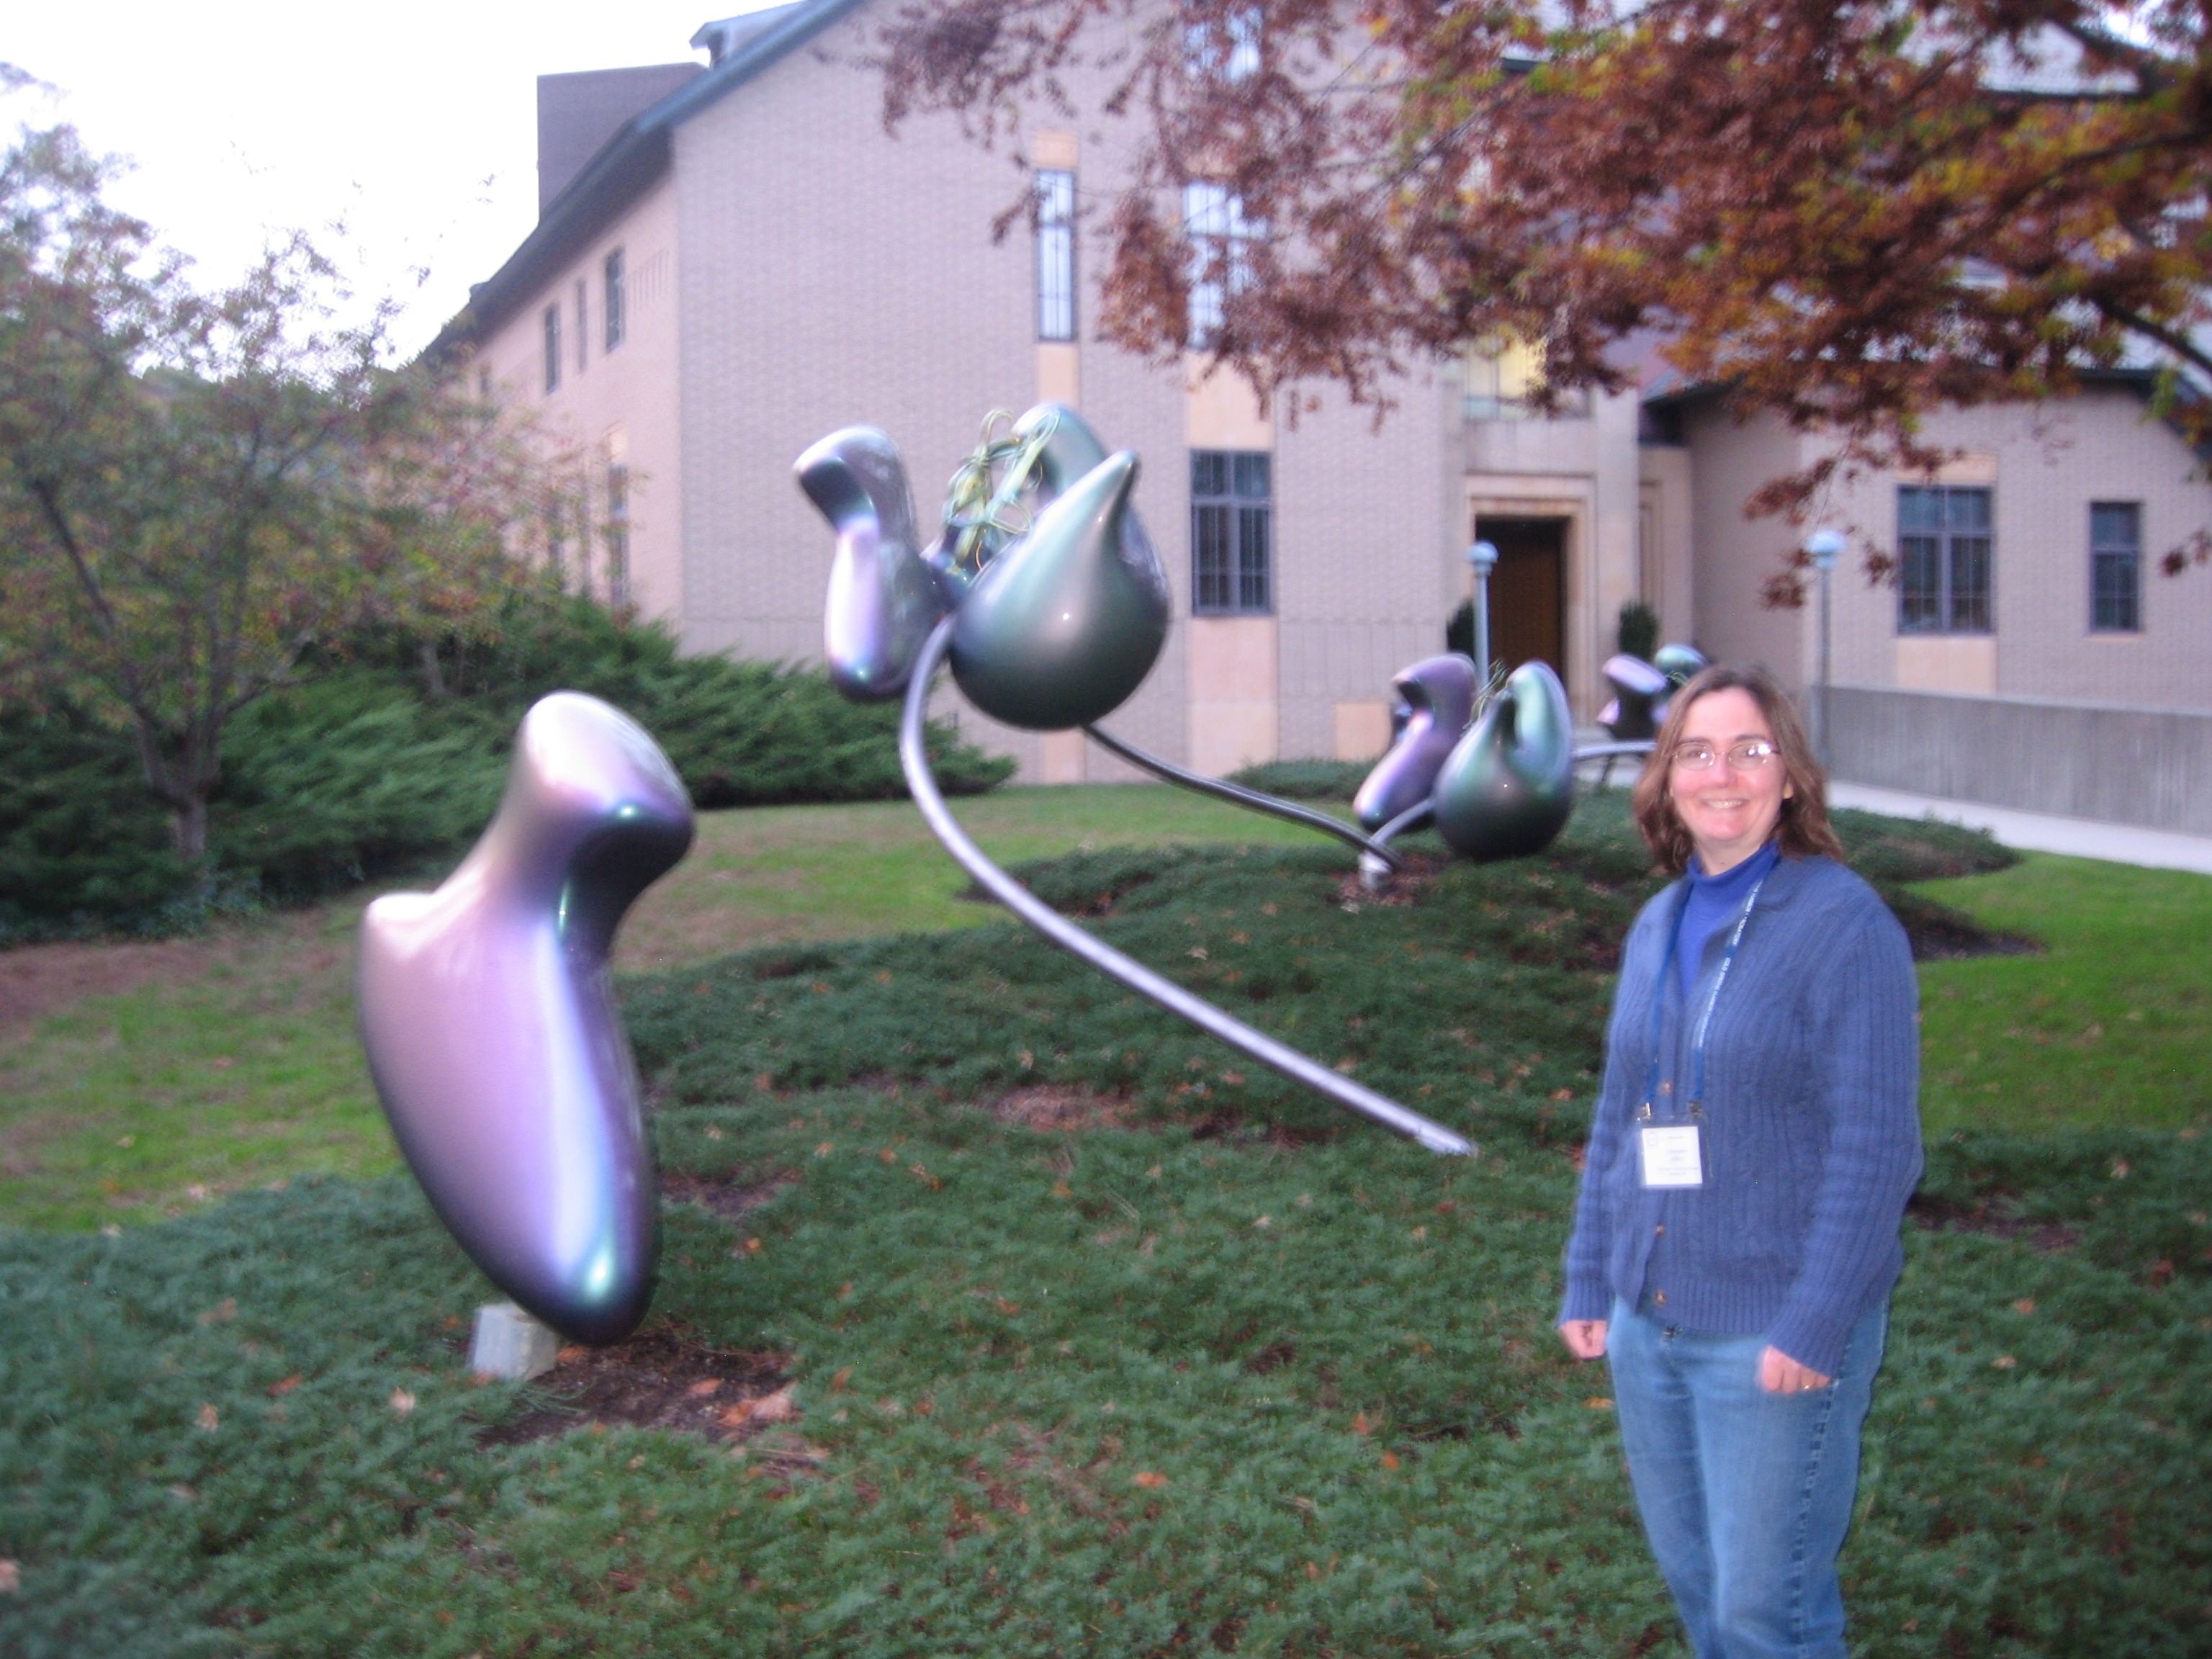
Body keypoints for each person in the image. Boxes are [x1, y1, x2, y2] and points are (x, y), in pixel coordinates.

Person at [1557, 664, 1922, 1659]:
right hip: (1649, 1326)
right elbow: (1622, 1113)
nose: (1725, 773)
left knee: (1772, 1618)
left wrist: (1814, 1325)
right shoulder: (1656, 925)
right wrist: (1591, 1275)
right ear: (1667, 776)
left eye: (1751, 750)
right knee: (1702, 1595)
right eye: (1699, 751)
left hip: (1772, 1331)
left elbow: (1877, 1148)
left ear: (1791, 777)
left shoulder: (1843, 926)